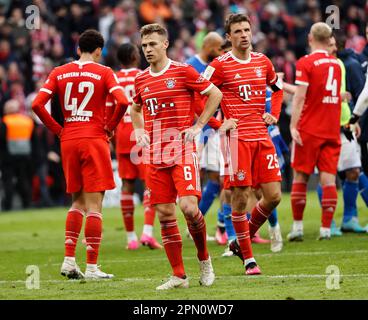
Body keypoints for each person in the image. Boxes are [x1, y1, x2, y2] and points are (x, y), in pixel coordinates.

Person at [131, 23, 222, 290]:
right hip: (155, 155)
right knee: (164, 214)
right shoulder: (141, 79)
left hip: (181, 151)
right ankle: (179, 275)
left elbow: (214, 94)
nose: (148, 49)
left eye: (152, 44)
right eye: (144, 45)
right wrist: (138, 131)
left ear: (165, 44)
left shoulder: (182, 71)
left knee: (189, 209)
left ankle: (205, 260)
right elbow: (135, 108)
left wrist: (199, 125)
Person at [32, 29, 129, 280]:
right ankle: (93, 267)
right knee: (95, 205)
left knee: (77, 202)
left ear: (78, 49)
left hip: (69, 140)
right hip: (94, 138)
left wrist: (58, 130)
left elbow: (36, 105)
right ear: (99, 51)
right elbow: (123, 101)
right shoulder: (104, 72)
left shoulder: (58, 72)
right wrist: (109, 126)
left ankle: (68, 261)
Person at [203, 13, 284, 274]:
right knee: (240, 198)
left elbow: (278, 89)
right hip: (236, 139)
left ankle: (241, 240)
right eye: (237, 31)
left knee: (273, 197)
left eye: (247, 29)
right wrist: (217, 123)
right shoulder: (219, 65)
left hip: (262, 136)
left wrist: (276, 114)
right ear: (229, 37)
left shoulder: (263, 61)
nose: (244, 35)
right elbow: (198, 95)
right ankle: (249, 260)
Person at [287, 22, 342, 241]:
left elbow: (301, 96)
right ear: (328, 39)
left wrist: (293, 125)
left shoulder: (306, 62)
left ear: (310, 38)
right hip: (331, 128)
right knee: (328, 180)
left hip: (309, 128)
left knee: (300, 175)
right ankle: (326, 229)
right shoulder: (336, 64)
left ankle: (298, 228)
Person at [106, 43, 162, 250]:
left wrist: (112, 138)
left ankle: (131, 238)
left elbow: (110, 111)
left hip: (122, 137)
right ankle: (147, 232)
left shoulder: (114, 79)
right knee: (151, 185)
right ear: (133, 56)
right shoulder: (144, 75)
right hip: (143, 136)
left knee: (127, 186)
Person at [0, 99, 35, 211]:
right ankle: (27, 203)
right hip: (25, 155)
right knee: (23, 180)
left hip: (8, 156)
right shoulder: (27, 121)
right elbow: (33, 140)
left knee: (8, 181)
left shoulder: (4, 121)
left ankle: (8, 205)